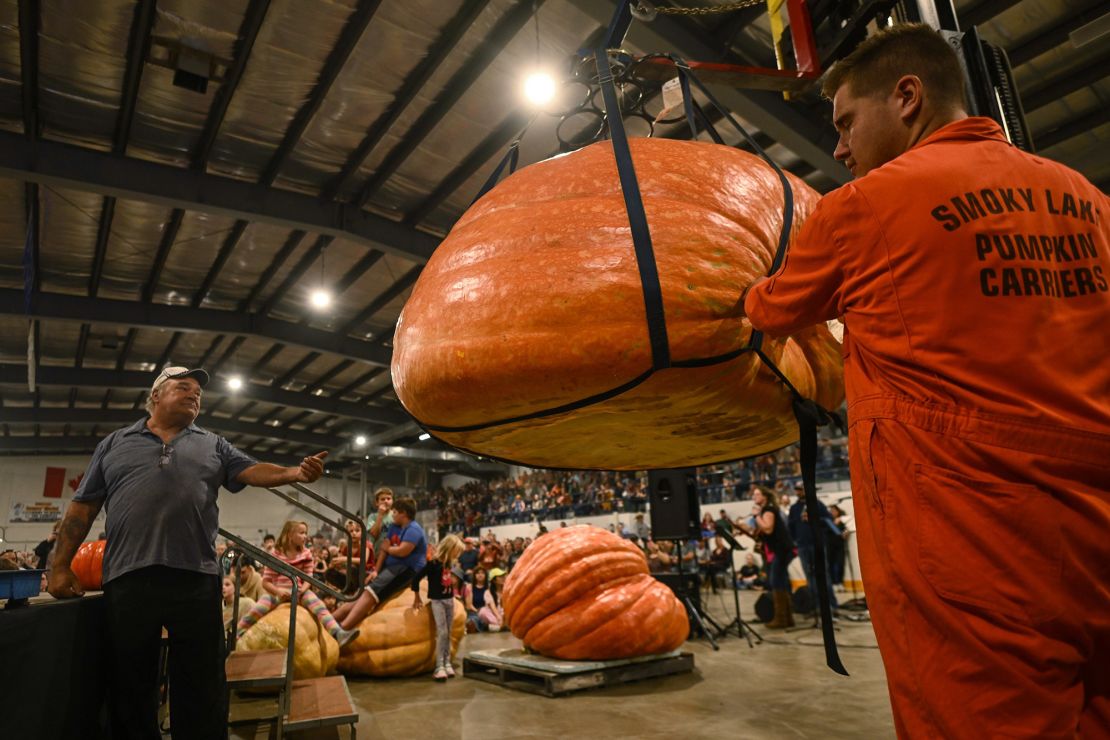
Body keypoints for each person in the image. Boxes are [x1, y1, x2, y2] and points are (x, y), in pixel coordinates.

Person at [743, 23, 1109, 738]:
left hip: (972, 544)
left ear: (907, 97)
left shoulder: (864, 207)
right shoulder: (1088, 200)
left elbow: (764, 310)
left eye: (846, 122)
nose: (841, 147)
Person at [46, 365, 328, 738]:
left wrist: (294, 473)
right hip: (129, 578)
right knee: (130, 682)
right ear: (156, 395)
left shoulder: (212, 444)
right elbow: (82, 508)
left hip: (196, 577)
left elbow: (252, 469)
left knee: (201, 683)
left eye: (198, 391)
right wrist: (60, 565)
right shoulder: (114, 444)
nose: (195, 394)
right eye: (184, 387)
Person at [235, 520, 358, 647]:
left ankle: (337, 633)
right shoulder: (275, 554)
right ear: (290, 534)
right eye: (301, 533)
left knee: (319, 606)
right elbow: (266, 582)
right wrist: (278, 592)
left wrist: (302, 591)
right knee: (257, 609)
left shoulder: (306, 553)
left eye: (306, 533)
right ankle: (237, 634)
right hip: (277, 592)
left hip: (299, 592)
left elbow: (309, 578)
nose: (305, 536)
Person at [334, 497, 427, 630]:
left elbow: (401, 552)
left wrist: (388, 548)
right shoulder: (395, 527)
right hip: (390, 568)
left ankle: (343, 627)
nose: (392, 515)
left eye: (395, 512)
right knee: (363, 594)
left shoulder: (414, 530)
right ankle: (330, 620)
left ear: (404, 514)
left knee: (369, 594)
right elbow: (383, 551)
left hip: (405, 570)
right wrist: (376, 570)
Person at [737, 485, 794, 628]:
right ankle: (787, 618)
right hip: (779, 550)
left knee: (776, 582)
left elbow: (768, 528)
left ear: (765, 496)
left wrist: (756, 516)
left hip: (780, 550)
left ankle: (781, 619)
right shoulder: (766, 510)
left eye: (757, 494)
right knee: (780, 582)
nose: (754, 497)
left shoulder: (768, 510)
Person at [412, 534, 465, 680]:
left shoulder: (449, 564)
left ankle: (447, 662)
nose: (458, 554)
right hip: (437, 602)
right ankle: (439, 665)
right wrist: (416, 597)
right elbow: (416, 579)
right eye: (457, 551)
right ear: (450, 548)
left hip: (449, 600)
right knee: (442, 632)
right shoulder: (433, 564)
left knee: (448, 632)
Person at [786, 482, 838, 618]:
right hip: (803, 546)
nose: (797, 491)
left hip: (817, 544)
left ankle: (831, 605)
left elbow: (829, 520)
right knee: (809, 577)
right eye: (796, 489)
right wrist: (795, 542)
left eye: (800, 489)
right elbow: (791, 526)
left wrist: (815, 518)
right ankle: (815, 607)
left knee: (823, 575)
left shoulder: (817, 504)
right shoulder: (794, 508)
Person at [366, 487, 394, 557]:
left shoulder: (396, 515)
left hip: (392, 554)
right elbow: (374, 534)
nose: (386, 501)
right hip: (377, 554)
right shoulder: (372, 517)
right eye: (382, 499)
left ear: (392, 501)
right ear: (377, 503)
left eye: (388, 498)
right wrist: (380, 515)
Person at [478, 567, 506, 632]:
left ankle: (495, 627)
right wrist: (499, 618)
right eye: (500, 577)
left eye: (503, 576)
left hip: (503, 613)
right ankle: (501, 626)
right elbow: (492, 607)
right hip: (494, 614)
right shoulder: (488, 592)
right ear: (494, 580)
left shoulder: (506, 590)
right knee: (482, 612)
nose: (503, 578)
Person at [465, 567, 489, 633]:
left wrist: (483, 612)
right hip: (474, 612)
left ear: (486, 575)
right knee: (472, 620)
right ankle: (474, 626)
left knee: (483, 617)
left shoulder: (489, 588)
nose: (480, 575)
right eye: (477, 573)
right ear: (474, 575)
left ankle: (480, 626)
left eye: (482, 573)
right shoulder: (469, 587)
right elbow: (469, 605)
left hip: (486, 613)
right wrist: (478, 611)